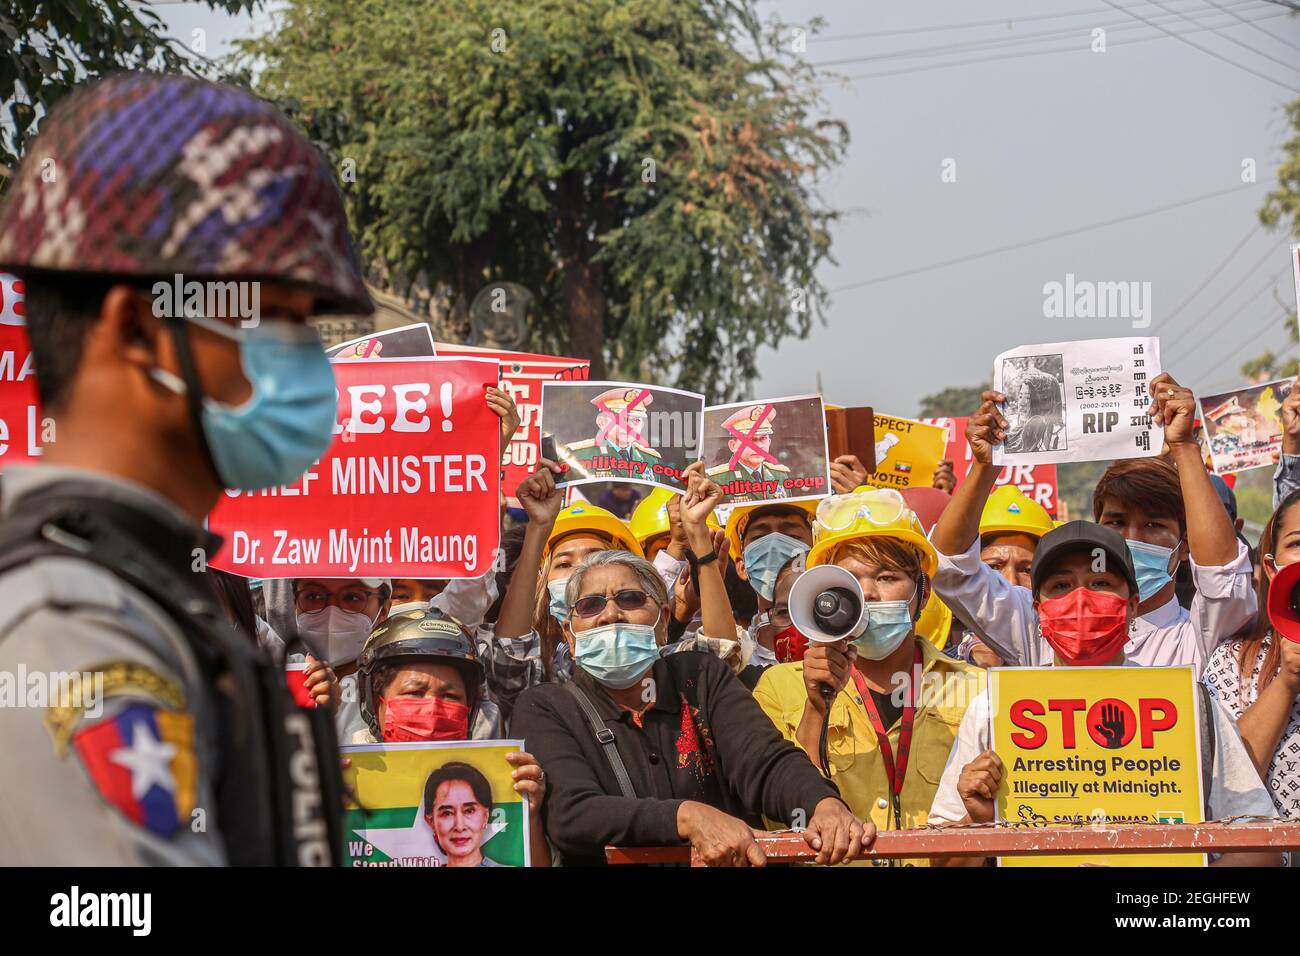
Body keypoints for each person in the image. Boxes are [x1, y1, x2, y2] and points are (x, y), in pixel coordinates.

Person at [0, 72, 367, 864]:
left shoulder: (151, 595)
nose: (305, 361)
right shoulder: (69, 626)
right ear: (138, 327)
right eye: (270, 318)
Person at [928, 521, 1282, 867]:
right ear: (1038, 608)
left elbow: (1261, 846)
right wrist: (976, 824)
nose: (1081, 600)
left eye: (1100, 583)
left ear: (1132, 606)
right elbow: (942, 862)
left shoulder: (1191, 705)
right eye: (1061, 585)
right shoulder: (994, 709)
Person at [511, 539, 874, 865]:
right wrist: (686, 817)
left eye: (630, 599)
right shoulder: (546, 707)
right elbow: (572, 814)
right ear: (570, 638)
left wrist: (822, 804)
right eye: (590, 606)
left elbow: (764, 760)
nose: (611, 614)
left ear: (662, 621)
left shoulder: (700, 676)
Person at [930, 375, 1254, 676]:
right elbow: (952, 568)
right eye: (1116, 522)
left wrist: (1185, 448)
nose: (1130, 538)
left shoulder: (1200, 640)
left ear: (1185, 546)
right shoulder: (1044, 625)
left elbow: (1224, 578)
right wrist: (986, 466)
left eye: (1153, 525)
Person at [752, 487, 983, 864]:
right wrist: (815, 709)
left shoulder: (975, 689)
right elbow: (780, 815)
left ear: (922, 594)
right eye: (850, 580)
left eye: (888, 577)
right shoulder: (780, 688)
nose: (869, 594)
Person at [355, 607, 550, 864]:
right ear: (374, 703)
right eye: (415, 692)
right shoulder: (348, 779)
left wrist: (529, 815)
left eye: (450, 696)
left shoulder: (501, 779)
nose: (434, 708)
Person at [1203, 488, 1300, 820]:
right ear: (1271, 567)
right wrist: (1286, 681)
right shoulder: (1234, 660)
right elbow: (1225, 784)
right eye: (1297, 544)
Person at [561, 387, 660, 479]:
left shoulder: (650, 459)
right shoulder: (577, 455)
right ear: (602, 423)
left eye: (636, 420)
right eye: (622, 419)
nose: (630, 426)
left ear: (642, 425)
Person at [706, 404, 791, 502]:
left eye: (763, 438)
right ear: (733, 446)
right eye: (750, 440)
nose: (759, 446)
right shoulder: (717, 480)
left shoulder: (779, 475)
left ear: (769, 442)